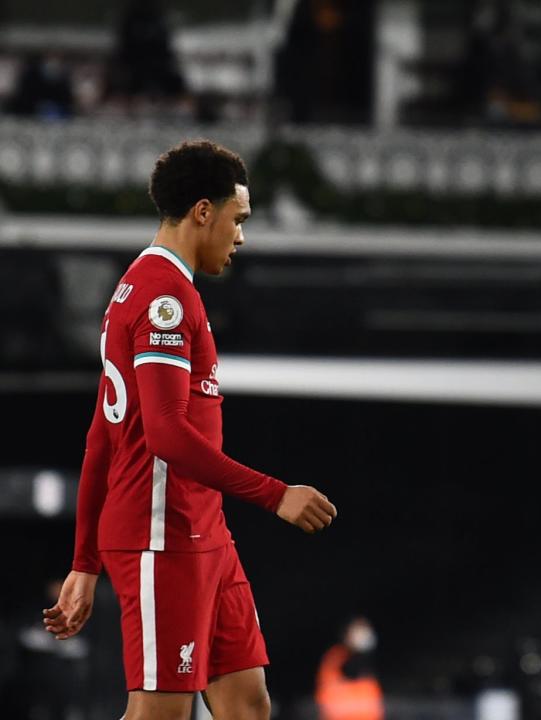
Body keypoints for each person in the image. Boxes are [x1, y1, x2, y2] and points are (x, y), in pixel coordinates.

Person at [42, 139, 338, 720]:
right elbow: (167, 437)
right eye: (238, 219)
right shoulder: (162, 296)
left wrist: (84, 561)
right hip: (161, 535)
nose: (241, 237)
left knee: (248, 706)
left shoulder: (156, 286)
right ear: (204, 211)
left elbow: (103, 436)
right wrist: (277, 495)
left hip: (203, 532)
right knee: (162, 715)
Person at [315, 616, 384, 720]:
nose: (363, 635)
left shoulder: (366, 666)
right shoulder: (336, 658)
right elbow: (349, 669)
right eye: (358, 631)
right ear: (347, 635)